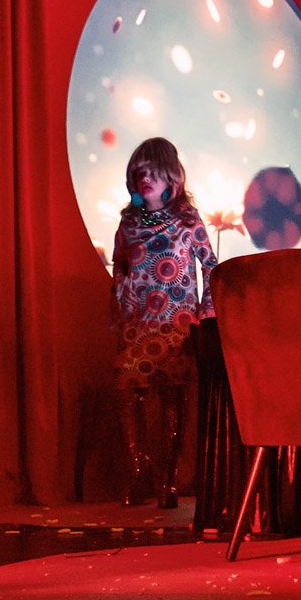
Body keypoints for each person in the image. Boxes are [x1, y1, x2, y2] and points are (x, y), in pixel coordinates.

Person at [109, 137, 217, 508]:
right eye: (139, 172)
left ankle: (168, 481)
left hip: (177, 326)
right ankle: (140, 472)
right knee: (131, 396)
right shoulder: (128, 223)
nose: (145, 179)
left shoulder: (187, 220)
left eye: (152, 172)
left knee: (174, 399)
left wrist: (206, 312)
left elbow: (211, 266)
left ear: (171, 175)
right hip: (136, 325)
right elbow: (119, 267)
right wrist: (120, 303)